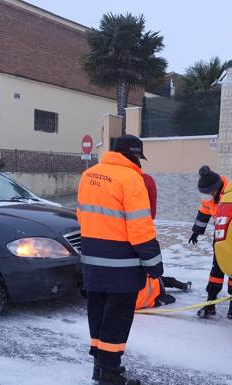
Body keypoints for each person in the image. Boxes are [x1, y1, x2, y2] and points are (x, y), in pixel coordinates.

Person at [77, 134, 163, 385]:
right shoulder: (131, 178)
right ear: (134, 155)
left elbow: (82, 215)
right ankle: (110, 375)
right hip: (122, 265)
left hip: (92, 259)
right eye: (139, 157)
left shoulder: (88, 175)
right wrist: (154, 263)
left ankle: (98, 367)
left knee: (97, 311)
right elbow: (140, 227)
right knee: (117, 318)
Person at [189, 165, 232, 319]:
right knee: (217, 269)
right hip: (219, 233)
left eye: (207, 193)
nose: (205, 197)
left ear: (215, 189)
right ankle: (210, 303)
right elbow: (204, 213)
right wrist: (196, 231)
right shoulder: (210, 196)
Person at [135, 173, 191, 311]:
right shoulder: (145, 180)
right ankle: (179, 285)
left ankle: (179, 284)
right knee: (153, 276)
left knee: (153, 277)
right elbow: (151, 213)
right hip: (140, 235)